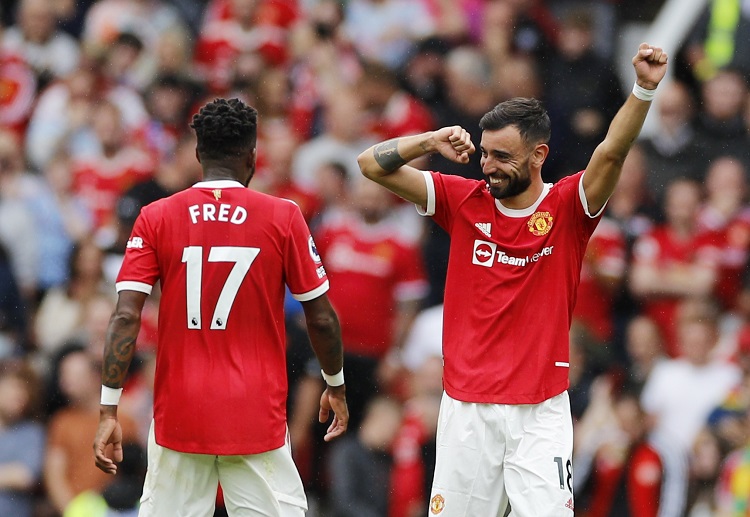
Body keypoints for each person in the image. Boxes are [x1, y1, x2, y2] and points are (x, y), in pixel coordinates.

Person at [357, 43, 668, 515]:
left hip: (540, 411)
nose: (488, 167)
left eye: (502, 156)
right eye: (484, 154)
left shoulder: (567, 208)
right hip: (466, 409)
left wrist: (644, 88)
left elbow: (612, 151)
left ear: (539, 154)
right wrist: (428, 141)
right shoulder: (463, 200)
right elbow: (370, 165)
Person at [93, 98, 349, 516]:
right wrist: (335, 384)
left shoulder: (155, 217)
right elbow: (319, 315)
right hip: (253, 412)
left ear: (197, 154)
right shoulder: (283, 217)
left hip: (180, 412)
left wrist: (108, 408)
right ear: (252, 155)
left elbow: (125, 315)